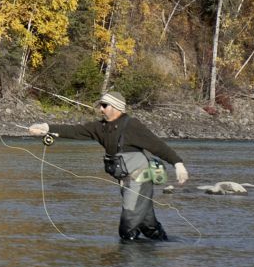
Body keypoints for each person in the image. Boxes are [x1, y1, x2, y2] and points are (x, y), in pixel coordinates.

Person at [27, 92, 188, 241]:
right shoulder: (100, 127)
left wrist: (178, 163)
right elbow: (75, 131)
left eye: (104, 105)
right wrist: (46, 128)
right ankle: (161, 254)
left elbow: (157, 145)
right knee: (148, 226)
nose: (100, 109)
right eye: (100, 105)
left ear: (117, 108)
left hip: (140, 180)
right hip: (126, 182)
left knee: (127, 229)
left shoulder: (132, 125)